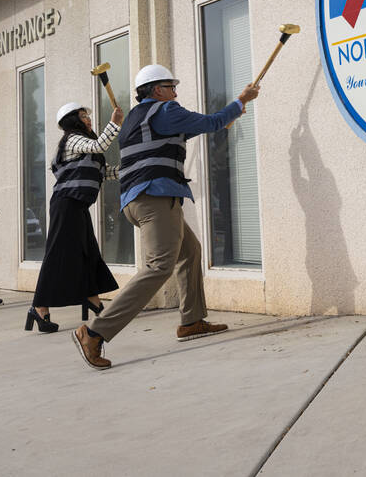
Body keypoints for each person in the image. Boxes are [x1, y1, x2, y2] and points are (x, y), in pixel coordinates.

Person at [71, 64, 259, 370]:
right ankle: (94, 332)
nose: (175, 92)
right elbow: (212, 121)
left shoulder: (136, 117)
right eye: (171, 87)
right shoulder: (166, 110)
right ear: (158, 91)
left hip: (138, 200)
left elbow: (201, 127)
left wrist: (228, 117)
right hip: (155, 198)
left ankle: (192, 321)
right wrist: (242, 100)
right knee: (159, 268)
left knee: (190, 250)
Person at [26, 101, 125, 334]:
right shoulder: (73, 140)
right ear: (72, 121)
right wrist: (115, 123)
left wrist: (133, 166)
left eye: (87, 115)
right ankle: (38, 307)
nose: (88, 119)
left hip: (78, 205)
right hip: (66, 204)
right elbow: (101, 144)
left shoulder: (86, 148)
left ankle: (93, 299)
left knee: (88, 251)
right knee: (56, 255)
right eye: (82, 116)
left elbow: (107, 172)